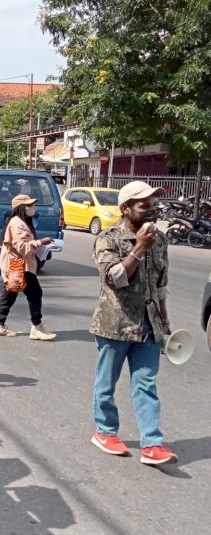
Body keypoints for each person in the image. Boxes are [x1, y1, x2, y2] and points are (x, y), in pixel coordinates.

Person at [89, 181, 177, 465]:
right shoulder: (108, 238)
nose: (152, 211)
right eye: (144, 206)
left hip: (149, 325)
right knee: (107, 382)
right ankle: (105, 431)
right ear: (126, 209)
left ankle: (151, 443)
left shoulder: (160, 240)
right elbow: (114, 279)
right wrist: (139, 247)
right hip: (115, 324)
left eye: (154, 206)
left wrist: (164, 321)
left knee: (146, 383)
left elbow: (161, 284)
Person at [0, 194, 56, 340]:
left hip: (18, 264)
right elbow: (22, 248)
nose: (33, 207)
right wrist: (40, 243)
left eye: (32, 204)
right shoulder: (18, 224)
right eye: (29, 205)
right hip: (19, 265)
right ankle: (36, 327)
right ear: (21, 208)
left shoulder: (21, 221)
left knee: (10, 294)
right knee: (35, 294)